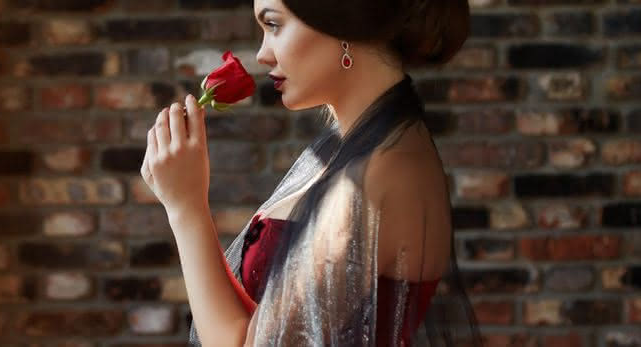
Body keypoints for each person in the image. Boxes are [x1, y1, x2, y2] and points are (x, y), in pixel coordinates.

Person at [138, 0, 479, 345]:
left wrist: (186, 208)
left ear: (342, 23)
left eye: (274, 25)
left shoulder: (375, 176)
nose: (262, 54)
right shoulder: (358, 147)